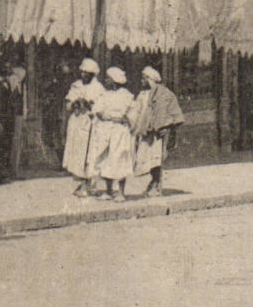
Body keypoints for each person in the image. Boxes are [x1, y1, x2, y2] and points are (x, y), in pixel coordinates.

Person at [129, 66, 185, 198]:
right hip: (146, 131)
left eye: (143, 78)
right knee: (146, 159)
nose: (141, 81)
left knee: (156, 159)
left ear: (149, 79)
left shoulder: (165, 94)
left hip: (159, 132)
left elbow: (172, 111)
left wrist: (167, 126)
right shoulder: (142, 95)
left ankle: (156, 184)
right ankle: (153, 182)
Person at [88, 67, 136, 202]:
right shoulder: (105, 95)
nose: (106, 81)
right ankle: (108, 190)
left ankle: (121, 192)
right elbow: (96, 110)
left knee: (119, 157)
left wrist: (125, 119)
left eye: (108, 78)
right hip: (105, 129)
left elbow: (133, 113)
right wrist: (102, 115)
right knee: (106, 159)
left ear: (114, 80)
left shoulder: (126, 95)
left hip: (120, 130)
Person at [62, 58, 104, 197]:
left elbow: (100, 107)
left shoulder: (98, 89)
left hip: (91, 123)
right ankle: (83, 182)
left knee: (90, 153)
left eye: (87, 73)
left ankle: (89, 183)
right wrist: (75, 103)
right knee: (78, 153)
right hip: (77, 122)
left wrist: (88, 104)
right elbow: (68, 106)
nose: (83, 75)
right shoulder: (76, 85)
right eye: (82, 72)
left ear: (93, 74)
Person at [0, 64, 23, 184]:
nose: (8, 69)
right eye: (5, 68)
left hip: (9, 118)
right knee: (0, 145)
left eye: (9, 67)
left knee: (8, 144)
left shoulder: (10, 82)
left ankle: (6, 171)